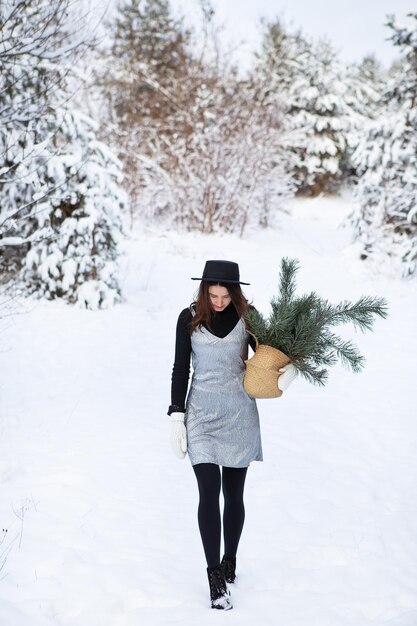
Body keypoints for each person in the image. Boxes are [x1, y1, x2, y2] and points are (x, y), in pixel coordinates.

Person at [168, 260, 296, 610]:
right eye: (213, 294)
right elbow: (181, 368)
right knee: (208, 492)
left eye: (226, 295)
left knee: (233, 494)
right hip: (202, 415)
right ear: (204, 291)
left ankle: (231, 560)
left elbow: (271, 356)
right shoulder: (188, 318)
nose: (220, 301)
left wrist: (289, 369)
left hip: (239, 413)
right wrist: (176, 415)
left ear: (235, 293)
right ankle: (214, 578)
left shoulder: (248, 316)